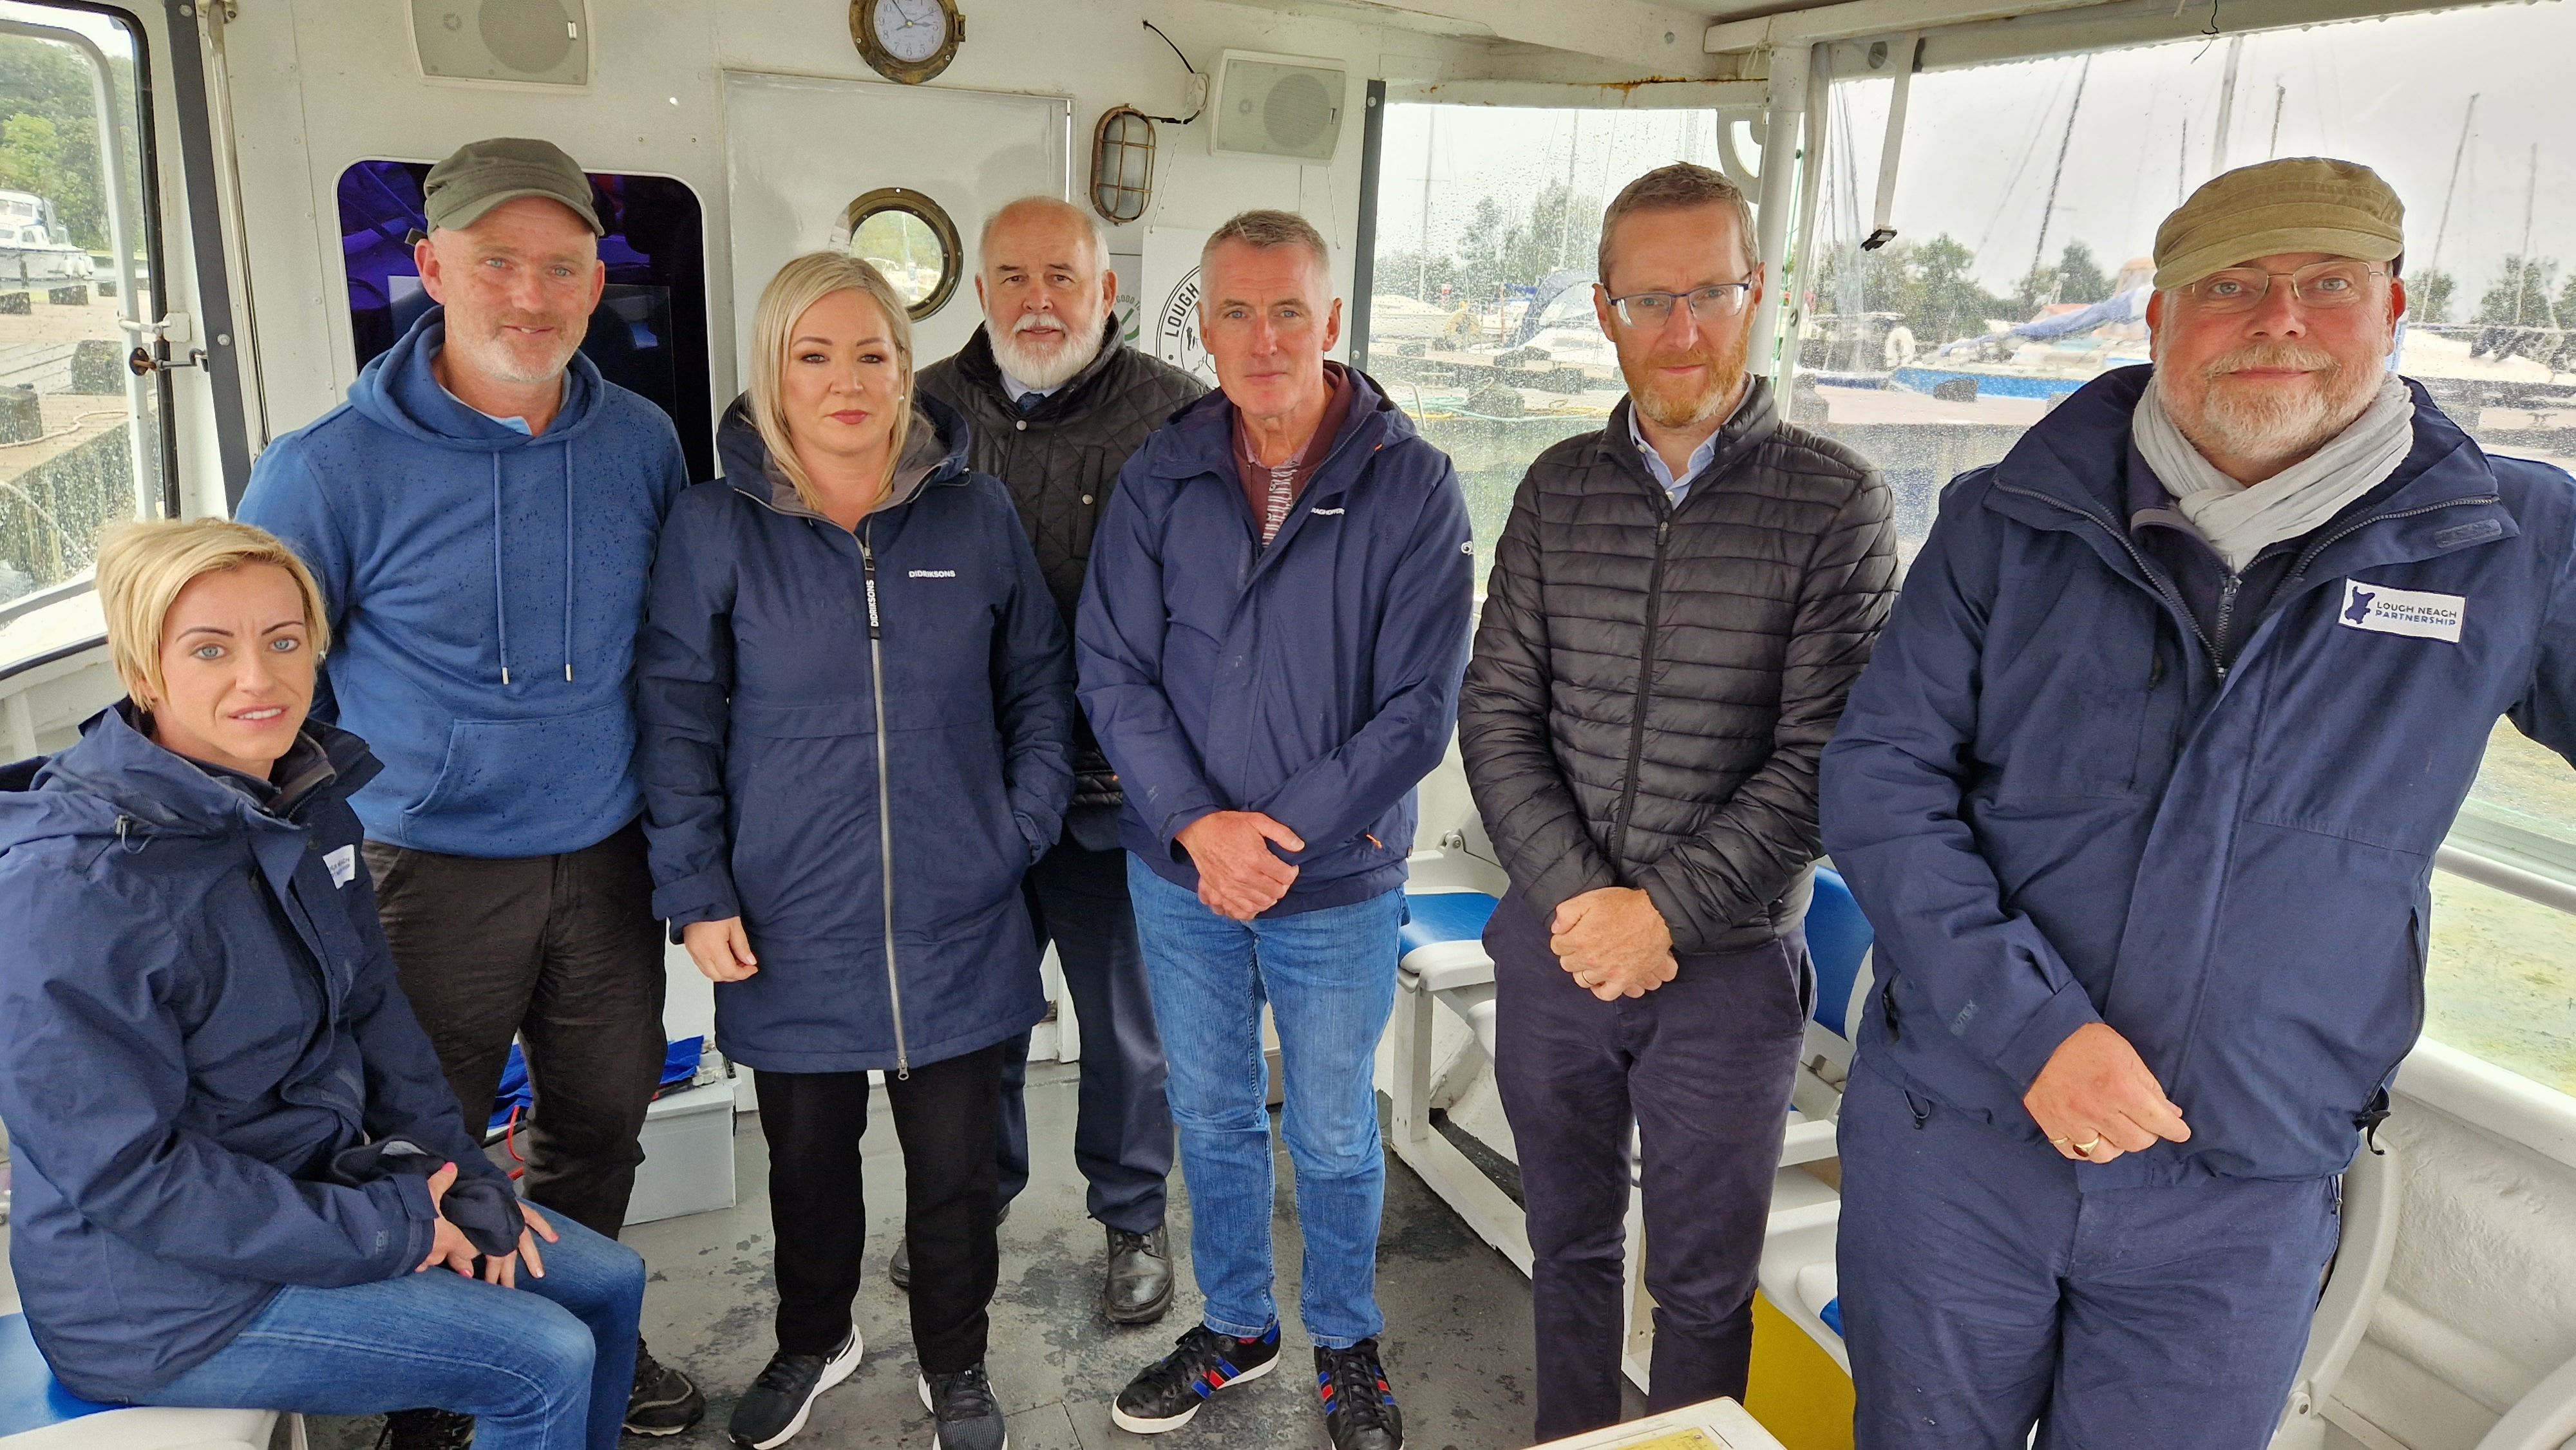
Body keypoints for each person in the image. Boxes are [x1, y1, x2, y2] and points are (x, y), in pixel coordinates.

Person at [1820, 156, 2576, 1450]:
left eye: (2325, 284)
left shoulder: (2511, 540)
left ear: (2391, 308)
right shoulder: (2010, 514)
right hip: (1959, 1135)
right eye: (2230, 286)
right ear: (2162, 315)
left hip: (2245, 1179)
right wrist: (2036, 1033)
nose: (2278, 320)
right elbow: (1881, 780)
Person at [233, 137, 700, 1443]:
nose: (530, 296)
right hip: (423, 872)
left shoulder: (644, 443)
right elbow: (259, 692)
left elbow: (675, 653)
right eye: (497, 262)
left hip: (608, 860)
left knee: (601, 1123)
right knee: (422, 1148)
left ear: (596, 282)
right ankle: (441, 1383)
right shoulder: (324, 467)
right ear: (432, 269)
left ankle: (577, 1327)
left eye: (562, 267)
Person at [0, 518, 647, 1450]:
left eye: (283, 641)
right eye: (210, 649)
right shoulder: (70, 887)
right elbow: (129, 1174)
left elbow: (373, 1013)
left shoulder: (301, 801)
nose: (258, 679)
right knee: (540, 1358)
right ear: (144, 670)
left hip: (317, 1191)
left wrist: (456, 1172)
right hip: (160, 1304)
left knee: (610, 1285)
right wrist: (394, 1228)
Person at [1457, 162, 1897, 1442]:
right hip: (1556, 950)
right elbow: (1497, 714)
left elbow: (1822, 758)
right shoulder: (1555, 489)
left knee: (1704, 1287)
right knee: (1567, 1249)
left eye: (1709, 292)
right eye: (1649, 299)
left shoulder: (1836, 502)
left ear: (1759, 293)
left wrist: (1658, 916)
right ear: (1605, 309)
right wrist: (1585, 905)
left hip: (1727, 973)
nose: (1681, 330)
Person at [636, 250, 1074, 1450]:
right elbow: (676, 717)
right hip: (789, 914)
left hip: (961, 904)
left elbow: (1038, 683)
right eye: (813, 356)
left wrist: (1018, 828)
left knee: (958, 1174)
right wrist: (697, 889)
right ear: (773, 372)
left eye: (872, 354)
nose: (846, 382)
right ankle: (813, 1337)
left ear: (906, 366)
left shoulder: (976, 515)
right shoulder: (713, 525)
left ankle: (957, 1361)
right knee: (808, 1166)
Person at [1079, 209, 1475, 1450]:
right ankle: (1240, 1327)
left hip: (1339, 877)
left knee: (1333, 1128)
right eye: (1236, 313)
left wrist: (1274, 838)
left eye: (1287, 310)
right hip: (1182, 872)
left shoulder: (1411, 482)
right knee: (1209, 1115)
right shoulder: (1163, 471)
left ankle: (1347, 1340)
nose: (1262, 339)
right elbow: (1111, 669)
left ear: (1332, 320)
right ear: (1203, 327)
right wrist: (1201, 827)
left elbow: (1419, 711)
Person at [914, 195, 1205, 1323]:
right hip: (965, 790)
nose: (1038, 301)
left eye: (1063, 277)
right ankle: (967, 1206)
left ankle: (1132, 1217)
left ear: (1106, 290)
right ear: (981, 289)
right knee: (971, 1024)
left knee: (1126, 1028)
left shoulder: (1178, 418)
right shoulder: (918, 407)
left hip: (1116, 792)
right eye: (1014, 277)